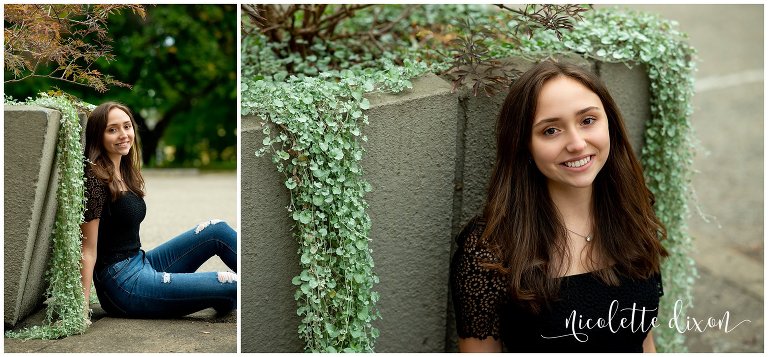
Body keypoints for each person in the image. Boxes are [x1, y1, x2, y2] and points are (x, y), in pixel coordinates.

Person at [450, 60, 668, 352]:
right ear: (524, 144)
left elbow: (644, 342)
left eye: (588, 120)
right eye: (551, 130)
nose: (577, 143)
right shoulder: (492, 248)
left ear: (610, 125)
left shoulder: (633, 214)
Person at [80, 101, 237, 321]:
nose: (123, 134)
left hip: (141, 263)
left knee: (216, 230)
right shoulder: (95, 181)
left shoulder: (123, 171)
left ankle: (233, 290)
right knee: (230, 283)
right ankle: (231, 293)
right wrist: (79, 310)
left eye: (127, 126)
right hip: (122, 286)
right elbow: (87, 250)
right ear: (98, 135)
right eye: (112, 129)